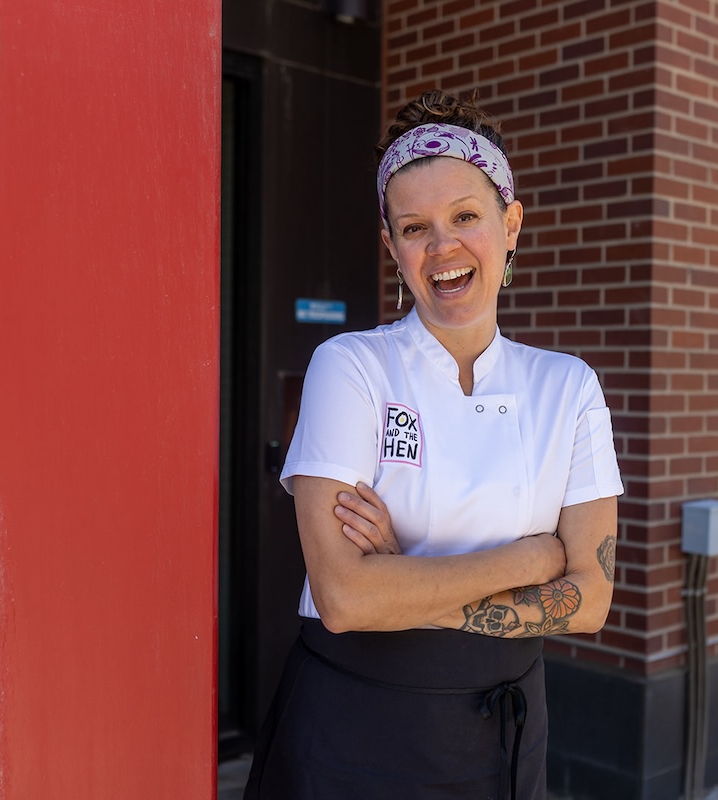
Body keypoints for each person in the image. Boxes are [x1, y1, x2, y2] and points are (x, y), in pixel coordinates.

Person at [242, 89, 623, 800]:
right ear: (392, 248)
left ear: (511, 224)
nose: (443, 247)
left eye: (465, 216)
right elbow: (345, 598)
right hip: (354, 733)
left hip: (504, 740)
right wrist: (532, 559)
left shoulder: (568, 386)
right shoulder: (351, 367)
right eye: (415, 227)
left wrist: (402, 583)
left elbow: (591, 600)